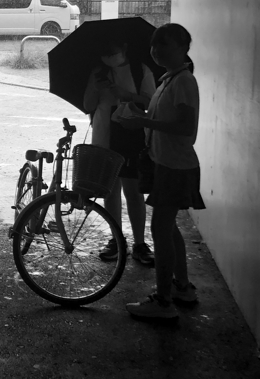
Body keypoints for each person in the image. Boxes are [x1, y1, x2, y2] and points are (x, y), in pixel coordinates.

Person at [121, 23, 205, 321]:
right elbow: (163, 119)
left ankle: (164, 302)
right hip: (166, 163)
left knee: (160, 229)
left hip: (175, 166)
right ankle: (181, 287)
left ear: (183, 48)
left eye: (165, 45)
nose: (157, 51)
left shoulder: (183, 82)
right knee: (169, 228)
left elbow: (185, 127)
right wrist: (140, 117)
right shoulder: (168, 80)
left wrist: (144, 123)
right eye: (155, 45)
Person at [83, 40, 157, 266]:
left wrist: (127, 95)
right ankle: (116, 239)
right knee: (110, 190)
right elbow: (87, 105)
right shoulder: (99, 72)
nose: (109, 58)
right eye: (104, 54)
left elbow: (152, 104)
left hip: (131, 135)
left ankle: (139, 243)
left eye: (112, 53)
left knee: (133, 192)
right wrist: (97, 88)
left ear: (124, 48)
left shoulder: (140, 70)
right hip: (104, 135)